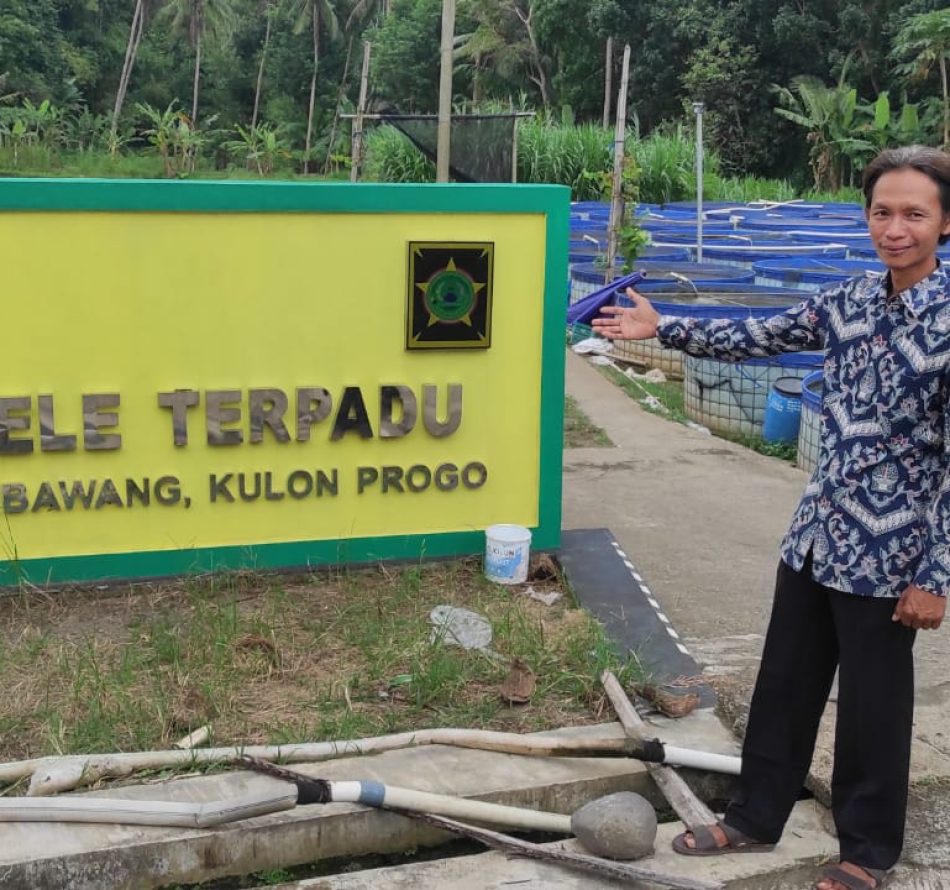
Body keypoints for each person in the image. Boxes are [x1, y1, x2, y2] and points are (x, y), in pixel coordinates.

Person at [592, 145, 950, 890]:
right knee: (784, 684)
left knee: (873, 713)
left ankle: (868, 852)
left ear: (944, 224)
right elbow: (758, 336)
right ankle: (755, 816)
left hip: (891, 555)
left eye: (914, 213)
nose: (895, 228)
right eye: (882, 212)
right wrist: (664, 327)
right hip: (818, 537)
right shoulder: (849, 298)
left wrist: (936, 575)